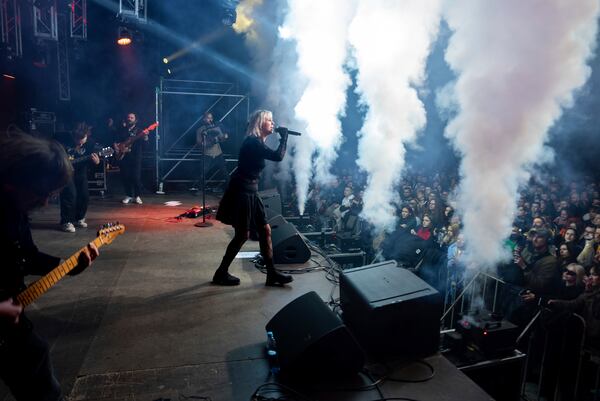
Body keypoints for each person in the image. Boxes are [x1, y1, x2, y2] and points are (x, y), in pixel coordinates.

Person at [0, 132, 99, 401]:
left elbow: (27, 256)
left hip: (9, 327)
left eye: (50, 195)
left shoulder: (16, 211)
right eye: (41, 194)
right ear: (19, 180)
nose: (44, 203)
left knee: (38, 366)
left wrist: (68, 266)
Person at [213, 110, 292, 286]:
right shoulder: (253, 142)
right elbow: (278, 156)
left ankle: (271, 274)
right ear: (260, 123)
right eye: (269, 120)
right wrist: (284, 138)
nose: (273, 123)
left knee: (265, 230)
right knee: (242, 235)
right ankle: (221, 272)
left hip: (251, 190)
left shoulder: (256, 142)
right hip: (242, 191)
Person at [58, 123, 100, 232]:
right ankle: (66, 221)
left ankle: (79, 218)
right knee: (70, 194)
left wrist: (97, 161)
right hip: (66, 172)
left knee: (84, 195)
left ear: (87, 135)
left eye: (83, 139)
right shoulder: (63, 139)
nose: (80, 142)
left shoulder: (90, 143)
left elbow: (94, 159)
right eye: (77, 139)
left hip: (81, 172)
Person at [114, 112, 147, 204]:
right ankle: (128, 195)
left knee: (136, 177)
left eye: (132, 117)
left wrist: (145, 138)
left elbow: (145, 145)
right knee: (125, 176)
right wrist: (118, 148)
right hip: (124, 156)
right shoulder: (122, 130)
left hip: (136, 156)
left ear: (135, 120)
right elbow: (116, 142)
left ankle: (137, 196)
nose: (129, 119)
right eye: (128, 117)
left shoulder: (140, 131)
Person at [192, 112, 229, 193]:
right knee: (203, 173)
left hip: (218, 153)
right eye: (208, 118)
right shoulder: (200, 130)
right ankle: (200, 189)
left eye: (211, 118)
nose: (210, 119)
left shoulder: (217, 128)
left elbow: (222, 139)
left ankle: (229, 189)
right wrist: (210, 142)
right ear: (204, 119)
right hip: (207, 154)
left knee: (225, 172)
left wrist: (224, 137)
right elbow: (199, 143)